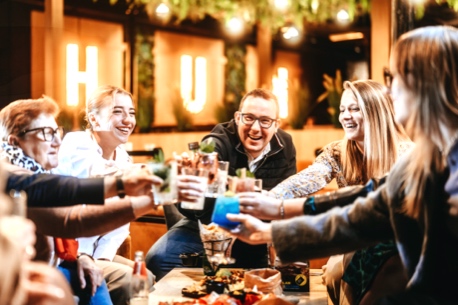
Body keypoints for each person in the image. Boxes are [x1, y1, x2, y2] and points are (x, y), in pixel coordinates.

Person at [227, 25, 458, 305]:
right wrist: (272, 215)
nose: (388, 89)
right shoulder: (426, 159)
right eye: (342, 109)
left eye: (394, 77)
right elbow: (367, 206)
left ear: (428, 84)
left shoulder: (427, 161)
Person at [237, 80, 413, 304]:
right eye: (342, 109)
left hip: (396, 245)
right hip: (350, 234)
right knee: (334, 272)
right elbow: (305, 180)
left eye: (354, 109)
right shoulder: (338, 152)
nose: (345, 116)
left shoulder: (407, 156)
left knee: (343, 268)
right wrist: (268, 200)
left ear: (376, 111)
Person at [0, 95, 159, 305]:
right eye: (47, 133)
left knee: (135, 276)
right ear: (14, 141)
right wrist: (145, 194)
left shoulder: (38, 169)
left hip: (67, 258)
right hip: (20, 273)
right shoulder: (12, 174)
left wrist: (81, 257)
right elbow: (71, 220)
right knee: (95, 285)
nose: (57, 141)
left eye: (57, 131)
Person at [146, 88, 297, 280]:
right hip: (207, 226)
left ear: (276, 124)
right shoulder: (215, 143)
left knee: (278, 274)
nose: (256, 128)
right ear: (237, 117)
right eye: (249, 118)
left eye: (265, 121)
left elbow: (288, 197)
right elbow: (189, 205)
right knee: (158, 259)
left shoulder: (285, 145)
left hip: (255, 230)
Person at [54, 85, 154, 305]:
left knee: (146, 275)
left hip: (92, 253)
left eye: (132, 113)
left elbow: (119, 225)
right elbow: (99, 176)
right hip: (67, 253)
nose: (128, 119)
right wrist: (157, 175)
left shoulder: (123, 158)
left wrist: (102, 259)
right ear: (94, 119)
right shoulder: (76, 143)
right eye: (117, 112)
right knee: (131, 280)